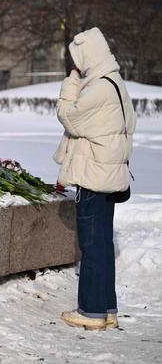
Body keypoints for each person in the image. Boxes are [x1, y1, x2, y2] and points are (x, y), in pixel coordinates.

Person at [54, 27, 136, 330]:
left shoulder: (98, 87)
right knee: (102, 241)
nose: (76, 64)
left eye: (78, 59)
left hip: (94, 175)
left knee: (91, 244)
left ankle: (91, 312)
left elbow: (68, 116)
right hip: (111, 174)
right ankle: (107, 308)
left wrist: (72, 81)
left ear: (88, 56)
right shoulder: (117, 83)